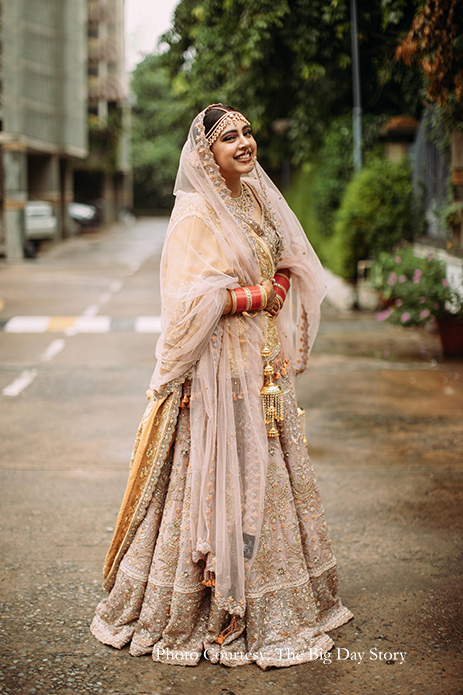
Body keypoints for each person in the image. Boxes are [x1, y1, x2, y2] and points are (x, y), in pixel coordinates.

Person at [90, 104, 353, 669]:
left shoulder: (257, 199)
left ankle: (268, 597)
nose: (243, 142)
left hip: (258, 367)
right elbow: (186, 304)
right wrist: (255, 297)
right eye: (228, 137)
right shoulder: (195, 216)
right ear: (206, 155)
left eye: (247, 131)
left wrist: (277, 285)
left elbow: (287, 258)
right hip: (212, 377)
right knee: (214, 480)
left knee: (268, 478)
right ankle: (210, 602)